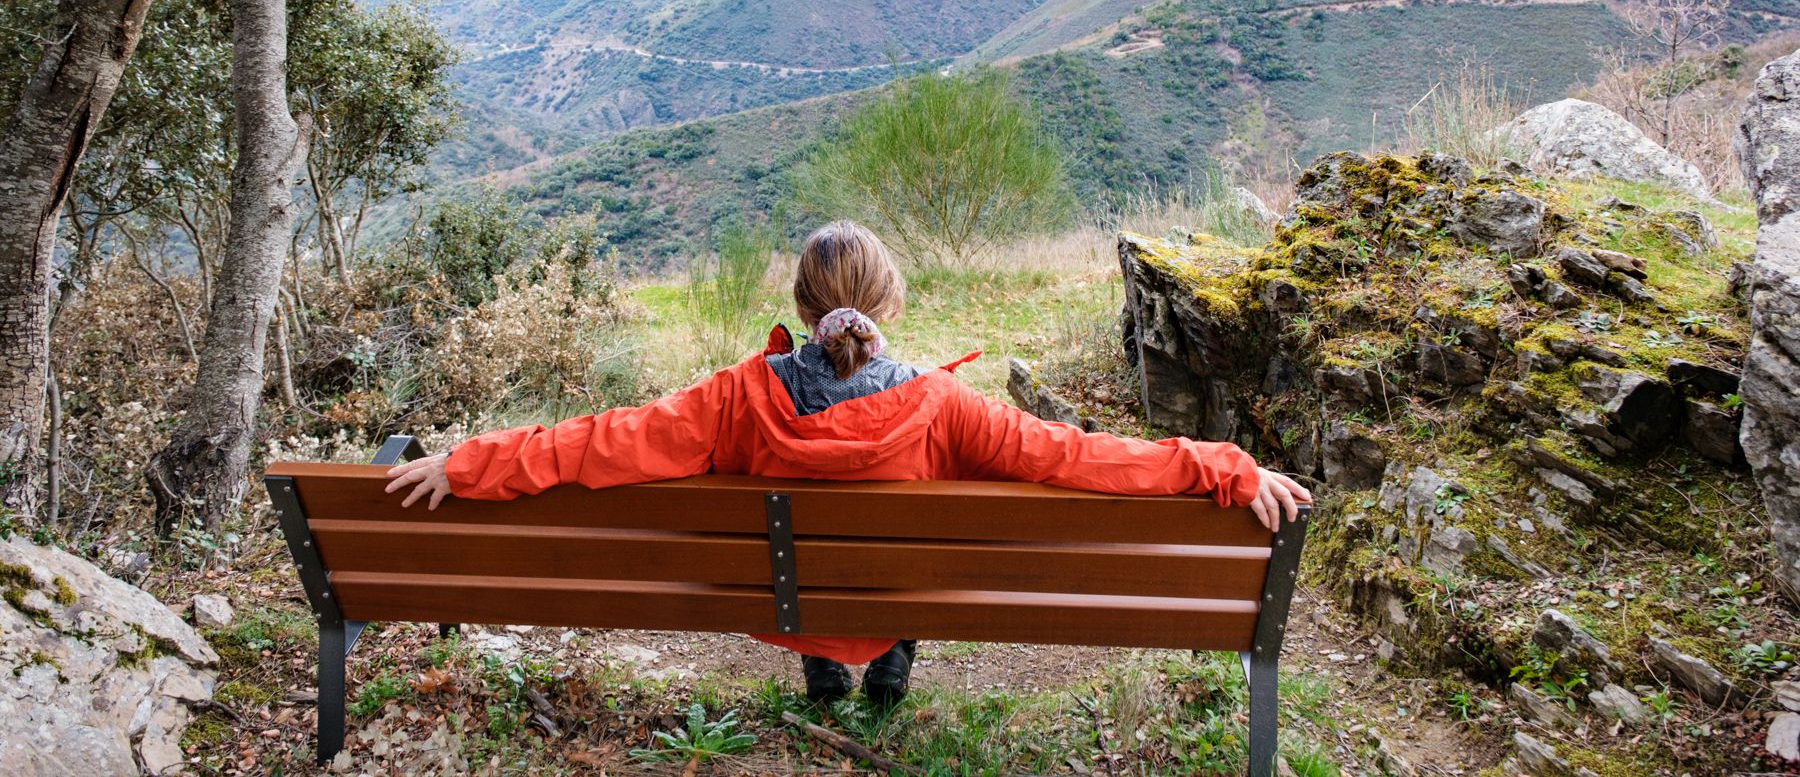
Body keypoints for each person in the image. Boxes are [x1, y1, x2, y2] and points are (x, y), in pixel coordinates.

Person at [385, 220, 1311, 706]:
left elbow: (601, 439)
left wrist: (470, 463)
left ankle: (822, 660)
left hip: (781, 593)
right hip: (897, 586)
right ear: (887, 304)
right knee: (909, 531)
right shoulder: (943, 403)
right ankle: (884, 649)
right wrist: (1222, 466)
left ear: (801, 301)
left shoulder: (734, 395)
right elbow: (1079, 458)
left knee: (802, 547)